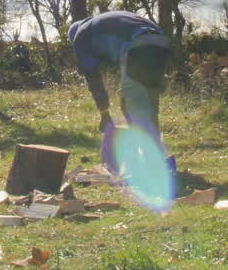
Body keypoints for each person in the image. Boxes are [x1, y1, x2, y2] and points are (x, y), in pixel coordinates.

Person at [68, 10, 172, 170]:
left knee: (133, 104)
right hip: (161, 43)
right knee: (148, 106)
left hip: (139, 45)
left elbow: (93, 78)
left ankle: (152, 164)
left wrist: (104, 113)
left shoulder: (81, 37)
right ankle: (158, 158)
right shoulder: (103, 24)